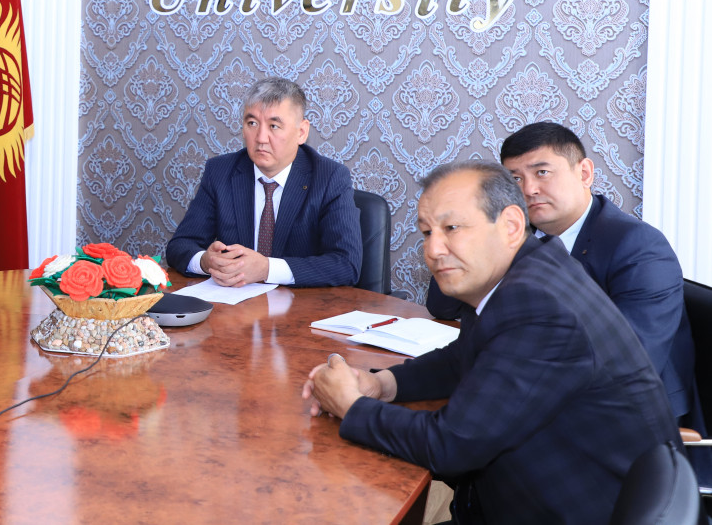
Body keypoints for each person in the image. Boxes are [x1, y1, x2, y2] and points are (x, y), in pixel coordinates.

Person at [302, 161, 679, 525]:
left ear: (511, 226)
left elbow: (450, 445)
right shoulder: (529, 272)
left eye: (452, 228)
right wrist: (383, 384)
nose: (433, 249)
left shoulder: (538, 307)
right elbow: (464, 356)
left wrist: (351, 406)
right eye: (427, 232)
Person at [424, 121, 697, 426]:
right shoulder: (517, 238)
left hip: (626, 422)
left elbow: (629, 362)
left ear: (584, 173)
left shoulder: (637, 246)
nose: (528, 189)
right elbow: (443, 307)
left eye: (542, 172)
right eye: (515, 178)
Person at [165, 77, 361, 287]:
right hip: (235, 303)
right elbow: (180, 245)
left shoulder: (329, 178)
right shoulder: (220, 172)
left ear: (301, 132)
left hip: (300, 304)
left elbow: (346, 264)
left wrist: (267, 269)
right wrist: (205, 261)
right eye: (252, 123)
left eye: (274, 126)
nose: (260, 138)